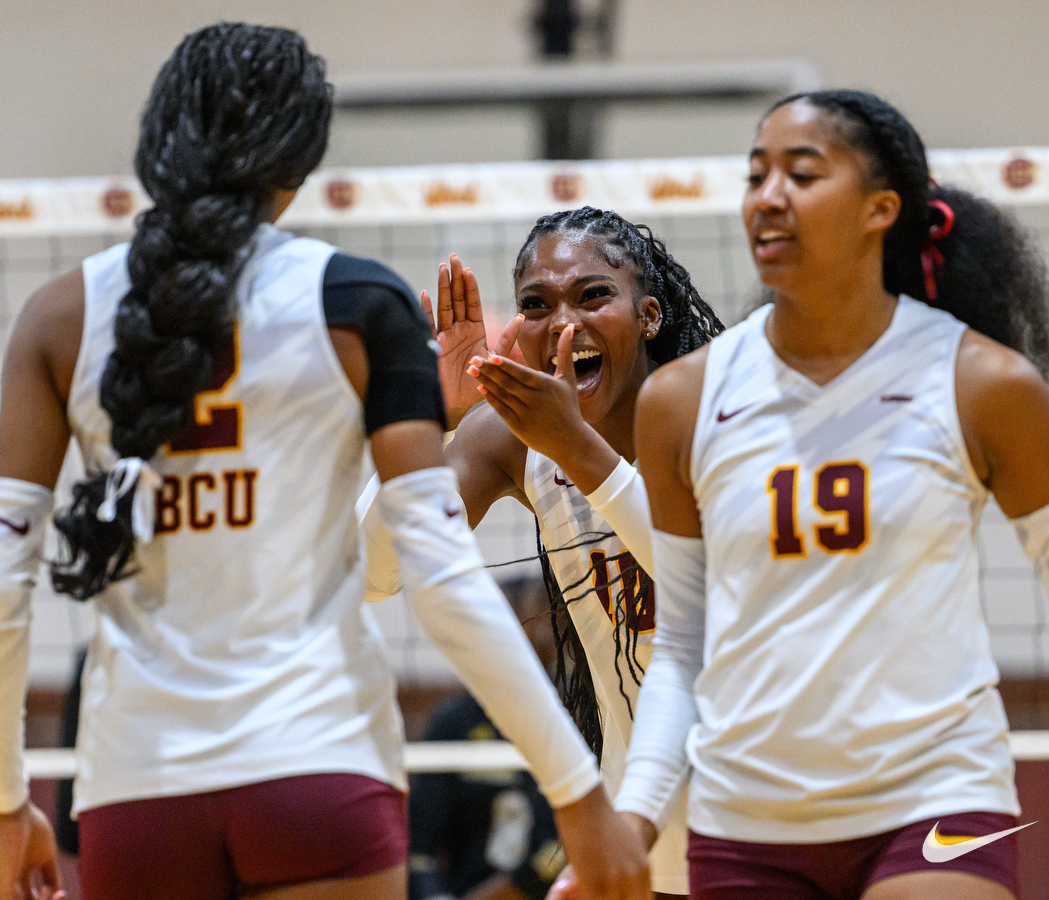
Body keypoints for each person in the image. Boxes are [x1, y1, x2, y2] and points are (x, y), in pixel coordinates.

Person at [0, 24, 649, 900]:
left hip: (136, 786)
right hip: (317, 768)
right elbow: (439, 572)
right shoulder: (355, 300)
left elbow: (5, 585)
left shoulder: (57, 313)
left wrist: (8, 801)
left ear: (159, 141)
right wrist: (576, 793)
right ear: (303, 160)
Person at [612, 90, 1049, 900]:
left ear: (880, 209)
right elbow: (682, 643)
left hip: (938, 800)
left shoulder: (984, 385)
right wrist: (635, 818)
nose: (769, 196)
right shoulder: (682, 400)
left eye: (802, 173)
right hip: (747, 822)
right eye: (756, 175)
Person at [361, 207, 724, 898]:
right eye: (536, 304)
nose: (564, 323)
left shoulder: (713, 409)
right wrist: (425, 421)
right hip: (637, 833)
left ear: (648, 315)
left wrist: (579, 453)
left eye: (593, 296)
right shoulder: (509, 438)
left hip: (767, 814)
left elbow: (725, 584)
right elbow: (373, 574)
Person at [408, 576, 565, 900]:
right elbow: (418, 847)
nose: (542, 635)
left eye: (546, 624)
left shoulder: (574, 717)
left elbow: (559, 849)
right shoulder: (455, 722)